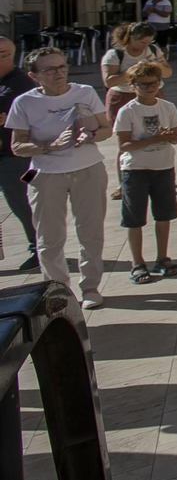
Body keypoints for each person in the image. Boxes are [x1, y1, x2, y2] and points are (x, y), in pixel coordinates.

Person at [5, 47, 113, 308]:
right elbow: (17, 146)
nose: (58, 73)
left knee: (91, 232)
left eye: (62, 66)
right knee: (49, 238)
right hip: (46, 174)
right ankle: (58, 291)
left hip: (88, 169)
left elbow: (106, 129)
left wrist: (91, 135)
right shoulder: (24, 102)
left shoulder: (85, 92)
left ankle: (90, 288)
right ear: (34, 75)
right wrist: (48, 146)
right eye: (50, 69)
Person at [113, 62, 177, 283]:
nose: (150, 87)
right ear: (133, 85)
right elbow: (123, 146)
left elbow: (175, 137)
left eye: (154, 83)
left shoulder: (167, 107)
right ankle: (137, 263)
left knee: (164, 216)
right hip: (135, 170)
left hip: (163, 167)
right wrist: (157, 138)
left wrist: (169, 136)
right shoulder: (127, 111)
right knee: (134, 219)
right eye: (143, 84)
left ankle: (162, 257)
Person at [102, 23, 171, 199]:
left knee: (157, 133)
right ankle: (124, 182)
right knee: (128, 139)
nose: (145, 46)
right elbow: (109, 81)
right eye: (141, 42)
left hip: (152, 96)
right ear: (130, 38)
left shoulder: (153, 51)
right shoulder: (115, 54)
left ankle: (159, 173)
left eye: (149, 42)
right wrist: (134, 69)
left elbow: (168, 72)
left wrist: (156, 64)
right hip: (123, 97)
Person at [0, 37, 40, 272]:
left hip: (14, 157)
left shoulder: (20, 83)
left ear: (10, 55)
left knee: (22, 204)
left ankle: (38, 248)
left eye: (3, 53)